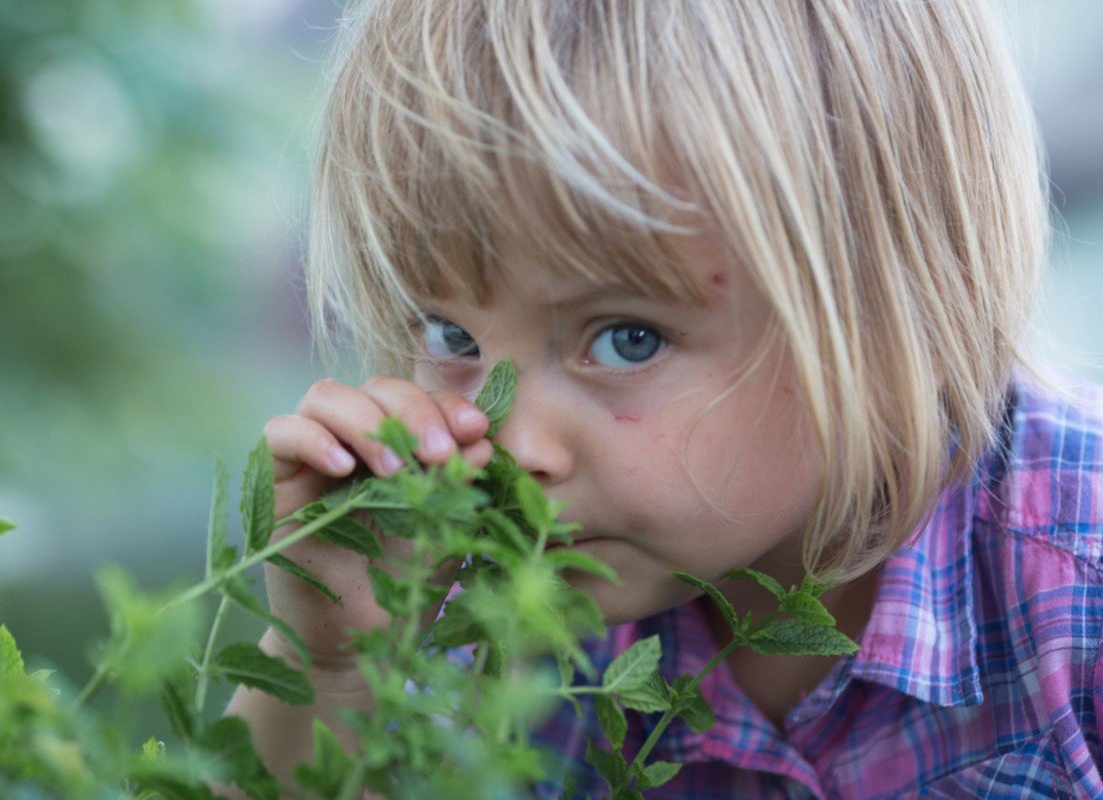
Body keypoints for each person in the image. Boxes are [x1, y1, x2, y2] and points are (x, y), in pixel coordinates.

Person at [227, 0, 1103, 796]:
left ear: (893, 312)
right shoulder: (477, 607)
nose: (509, 442)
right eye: (451, 338)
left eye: (626, 338)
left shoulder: (1075, 584)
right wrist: (331, 664)